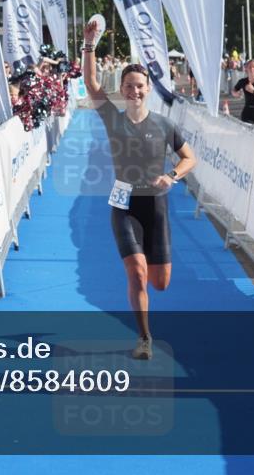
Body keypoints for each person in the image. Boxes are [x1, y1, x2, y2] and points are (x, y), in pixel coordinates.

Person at [82, 19, 196, 361]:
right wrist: (89, 44)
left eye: (140, 86)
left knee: (161, 282)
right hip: (123, 205)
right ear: (122, 89)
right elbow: (90, 83)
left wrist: (172, 175)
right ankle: (144, 337)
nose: (134, 91)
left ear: (149, 88)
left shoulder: (164, 125)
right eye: (128, 86)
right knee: (138, 272)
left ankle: (146, 319)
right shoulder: (113, 119)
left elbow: (190, 158)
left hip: (156, 206)